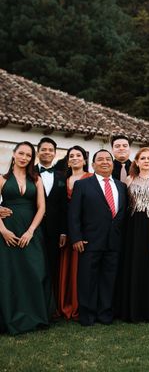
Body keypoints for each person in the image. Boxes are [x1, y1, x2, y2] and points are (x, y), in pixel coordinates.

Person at [68, 149, 127, 327]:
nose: (104, 162)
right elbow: (73, 214)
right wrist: (76, 237)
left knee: (109, 280)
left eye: (108, 159)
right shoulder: (83, 185)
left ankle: (105, 314)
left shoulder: (121, 186)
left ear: (113, 163)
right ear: (93, 165)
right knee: (87, 280)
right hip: (89, 241)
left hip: (114, 242)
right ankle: (87, 316)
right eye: (100, 159)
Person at [0, 142, 52, 334]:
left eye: (28, 155)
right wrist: (3, 230)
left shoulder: (36, 179)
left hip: (31, 232)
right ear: (14, 154)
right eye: (21, 153)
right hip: (7, 233)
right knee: (10, 274)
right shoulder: (2, 179)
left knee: (35, 271)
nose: (24, 157)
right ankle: (9, 316)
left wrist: (31, 231)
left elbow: (42, 208)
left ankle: (36, 316)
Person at [117, 148, 149, 322]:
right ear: (137, 162)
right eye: (143, 158)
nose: (146, 161)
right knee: (133, 265)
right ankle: (133, 309)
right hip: (132, 228)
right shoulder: (129, 179)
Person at [58, 145, 92, 320]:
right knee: (68, 267)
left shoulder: (91, 178)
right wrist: (64, 231)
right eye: (71, 156)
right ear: (68, 160)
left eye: (79, 155)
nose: (75, 158)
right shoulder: (64, 179)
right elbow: (62, 208)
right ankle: (67, 304)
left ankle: (81, 304)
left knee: (82, 267)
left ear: (85, 160)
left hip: (86, 229)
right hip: (68, 229)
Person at [36, 137, 68, 305]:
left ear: (55, 153)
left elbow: (64, 207)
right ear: (38, 151)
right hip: (31, 227)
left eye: (50, 150)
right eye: (44, 149)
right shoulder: (29, 173)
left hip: (55, 231)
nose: (47, 152)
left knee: (52, 266)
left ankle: (50, 305)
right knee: (34, 266)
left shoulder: (62, 176)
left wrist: (63, 231)